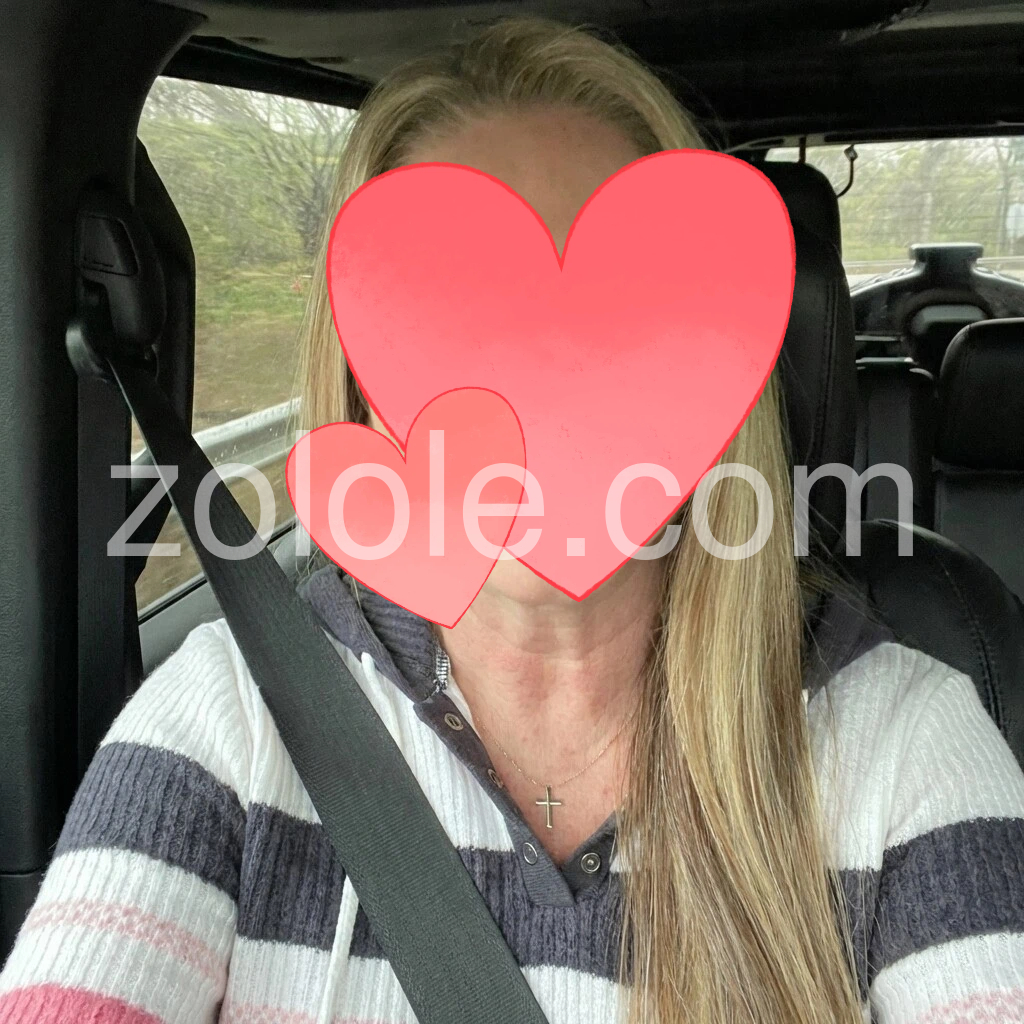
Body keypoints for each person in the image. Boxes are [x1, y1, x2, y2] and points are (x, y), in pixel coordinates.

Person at [2, 15, 1024, 1024]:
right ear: (361, 378)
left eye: (624, 310)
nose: (538, 389)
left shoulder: (909, 746)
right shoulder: (232, 716)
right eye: (452, 313)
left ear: (718, 369)